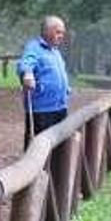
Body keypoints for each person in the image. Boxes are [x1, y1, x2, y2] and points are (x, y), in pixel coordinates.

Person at [18, 16, 71, 149]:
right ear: (47, 31)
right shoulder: (34, 47)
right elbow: (25, 62)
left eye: (62, 33)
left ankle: (55, 170)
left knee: (59, 147)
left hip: (60, 108)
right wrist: (27, 73)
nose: (61, 36)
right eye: (58, 32)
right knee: (38, 147)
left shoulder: (55, 51)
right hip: (42, 110)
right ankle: (32, 170)